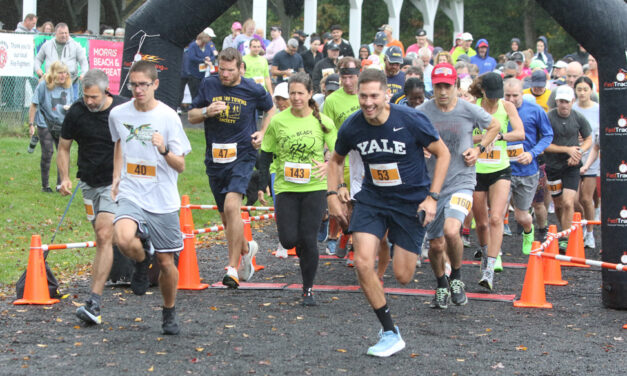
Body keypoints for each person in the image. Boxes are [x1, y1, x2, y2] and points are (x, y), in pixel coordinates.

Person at [327, 68, 450, 357]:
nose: (368, 103)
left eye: (373, 96)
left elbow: (443, 154)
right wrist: (333, 193)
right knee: (362, 262)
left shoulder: (410, 120)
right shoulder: (352, 125)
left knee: (404, 275)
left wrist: (432, 199)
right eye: (363, 96)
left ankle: (419, 253)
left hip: (410, 203)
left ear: (386, 94)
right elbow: (335, 161)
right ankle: (389, 332)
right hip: (373, 199)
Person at [109, 60, 191, 335]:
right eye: (133, 84)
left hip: (163, 197)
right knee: (121, 237)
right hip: (132, 191)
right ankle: (143, 260)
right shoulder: (119, 114)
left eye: (143, 84)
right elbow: (120, 141)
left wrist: (164, 149)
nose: (138, 90)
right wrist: (117, 176)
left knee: (167, 263)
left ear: (155, 84)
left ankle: (169, 311)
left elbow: (180, 165)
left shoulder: (168, 117)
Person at [188, 48, 276, 289]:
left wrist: (262, 132)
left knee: (231, 206)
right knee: (228, 218)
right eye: (221, 69)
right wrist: (207, 111)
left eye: (229, 70)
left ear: (241, 68)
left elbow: (271, 109)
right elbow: (192, 115)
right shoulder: (209, 85)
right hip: (215, 158)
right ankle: (246, 248)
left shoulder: (253, 89)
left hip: (243, 155)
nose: (224, 74)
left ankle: (232, 268)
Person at [418, 63, 499, 308]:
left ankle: (456, 277)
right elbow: (410, 135)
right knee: (435, 243)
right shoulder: (422, 111)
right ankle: (441, 283)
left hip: (462, 180)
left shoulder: (468, 109)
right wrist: (419, 147)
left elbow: (494, 125)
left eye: (447, 86)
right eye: (438, 86)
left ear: (456, 86)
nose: (442, 91)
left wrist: (479, 148)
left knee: (453, 231)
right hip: (433, 187)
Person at [257, 72, 336, 305]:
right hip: (286, 187)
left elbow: (339, 151)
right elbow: (266, 152)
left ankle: (307, 289)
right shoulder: (279, 121)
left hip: (314, 186)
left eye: (301, 93)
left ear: (310, 94)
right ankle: (302, 246)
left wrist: (328, 163)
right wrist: (262, 183)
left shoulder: (322, 121)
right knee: (290, 240)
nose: (296, 97)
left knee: (309, 239)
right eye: (292, 93)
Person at [56, 69, 128, 324]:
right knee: (104, 239)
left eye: (94, 97)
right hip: (88, 184)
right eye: (86, 96)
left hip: (115, 182)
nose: (89, 102)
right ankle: (140, 248)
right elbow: (63, 147)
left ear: (106, 91)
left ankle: (94, 303)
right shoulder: (76, 112)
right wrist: (64, 177)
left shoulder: (121, 109)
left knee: (104, 233)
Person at [468, 72, 525, 290]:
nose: (494, 99)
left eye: (497, 95)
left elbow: (520, 133)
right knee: (481, 223)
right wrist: (484, 139)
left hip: (500, 169)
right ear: (483, 91)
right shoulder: (473, 107)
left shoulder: (507, 106)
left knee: (496, 218)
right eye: (490, 95)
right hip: (476, 170)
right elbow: (463, 135)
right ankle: (485, 254)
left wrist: (499, 137)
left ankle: (490, 269)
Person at [503, 78, 553, 254]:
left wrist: (532, 153)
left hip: (527, 170)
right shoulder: (497, 110)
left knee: (521, 215)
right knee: (497, 213)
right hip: (502, 170)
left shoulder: (535, 111)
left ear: (522, 93)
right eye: (507, 95)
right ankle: (494, 253)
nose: (510, 99)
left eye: (515, 95)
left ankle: (528, 231)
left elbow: (548, 135)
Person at [544, 85, 592, 239]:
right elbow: (544, 143)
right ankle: (564, 231)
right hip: (552, 167)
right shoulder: (549, 117)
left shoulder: (578, 117)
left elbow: (589, 139)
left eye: (567, 101)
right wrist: (567, 149)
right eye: (561, 101)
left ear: (572, 101)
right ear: (556, 102)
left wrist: (578, 151)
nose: (564, 105)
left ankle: (566, 238)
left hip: (572, 166)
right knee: (558, 204)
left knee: (568, 202)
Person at [28, 61, 74, 193]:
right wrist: (31, 124)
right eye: (60, 72)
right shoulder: (44, 85)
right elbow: (34, 105)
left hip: (63, 123)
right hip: (45, 122)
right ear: (53, 73)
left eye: (65, 73)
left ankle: (60, 184)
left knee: (63, 153)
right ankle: (45, 185)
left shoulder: (68, 86)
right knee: (48, 153)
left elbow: (73, 103)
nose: (63, 75)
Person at [572, 76, 599, 248]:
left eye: (585, 89)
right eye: (579, 89)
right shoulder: (571, 108)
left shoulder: (598, 109)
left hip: (592, 157)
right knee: (573, 200)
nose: (582, 93)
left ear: (591, 91)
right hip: (573, 157)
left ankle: (590, 233)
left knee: (587, 198)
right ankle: (580, 225)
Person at [35, 23, 89, 100]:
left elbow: (83, 62)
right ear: (56, 33)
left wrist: (84, 73)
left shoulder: (76, 45)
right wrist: (38, 69)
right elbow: (38, 59)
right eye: (61, 33)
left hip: (71, 82)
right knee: (51, 105)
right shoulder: (47, 45)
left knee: (72, 107)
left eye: (66, 33)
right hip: (51, 82)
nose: (64, 35)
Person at [183, 31, 217, 100]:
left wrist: (209, 58)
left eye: (205, 43)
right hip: (193, 74)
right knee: (195, 94)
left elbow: (213, 55)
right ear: (199, 40)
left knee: (202, 92)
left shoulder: (207, 45)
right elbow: (192, 57)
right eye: (203, 43)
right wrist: (203, 60)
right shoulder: (193, 46)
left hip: (203, 74)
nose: (204, 44)